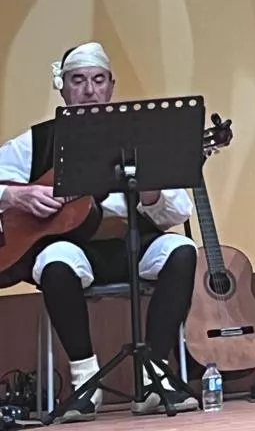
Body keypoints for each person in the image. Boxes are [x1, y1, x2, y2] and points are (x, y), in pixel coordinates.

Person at [0, 44, 199, 418]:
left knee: (182, 250)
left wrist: (152, 192)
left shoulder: (139, 137)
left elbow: (179, 210)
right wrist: (15, 196)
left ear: (111, 86)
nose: (89, 91)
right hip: (75, 251)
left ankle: (154, 373)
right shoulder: (39, 141)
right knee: (54, 261)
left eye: (98, 80)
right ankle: (85, 380)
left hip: (132, 246)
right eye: (78, 81)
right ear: (63, 88)